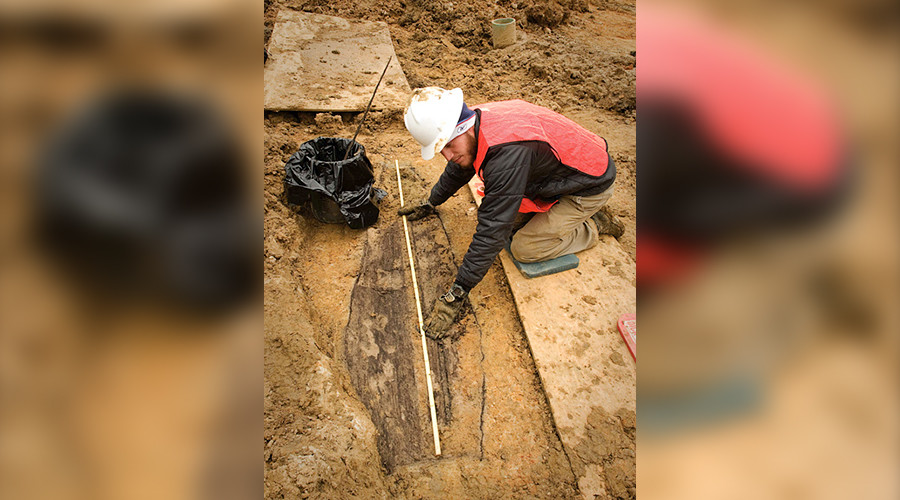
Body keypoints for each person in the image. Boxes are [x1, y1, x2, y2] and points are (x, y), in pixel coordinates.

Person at [400, 87, 623, 339]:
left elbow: (492, 232)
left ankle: (593, 226)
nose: (447, 156)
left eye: (449, 145)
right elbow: (460, 166)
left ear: (461, 128)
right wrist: (432, 201)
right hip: (558, 173)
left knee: (525, 248)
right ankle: (569, 217)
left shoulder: (506, 155)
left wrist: (458, 293)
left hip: (589, 185)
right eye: (441, 149)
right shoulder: (474, 121)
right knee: (501, 211)